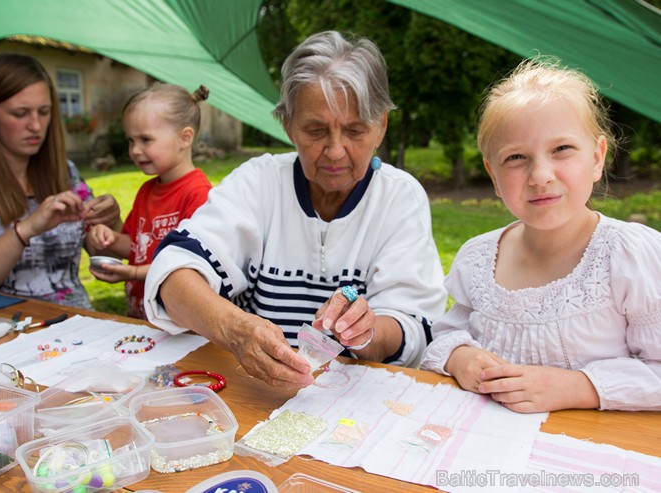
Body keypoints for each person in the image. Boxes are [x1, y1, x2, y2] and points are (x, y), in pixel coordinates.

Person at [143, 31, 447, 388]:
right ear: (288, 125)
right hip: (257, 391)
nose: (335, 151)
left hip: (353, 403)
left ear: (381, 126)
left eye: (354, 130)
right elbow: (173, 275)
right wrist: (236, 329)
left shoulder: (398, 198)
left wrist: (366, 332)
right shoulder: (260, 182)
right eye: (316, 130)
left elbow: (411, 324)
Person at [420, 58, 661, 413]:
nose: (540, 175)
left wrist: (579, 387)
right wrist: (460, 356)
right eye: (516, 157)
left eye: (561, 149)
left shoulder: (628, 257)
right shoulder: (479, 258)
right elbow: (448, 331)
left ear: (597, 157)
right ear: (493, 174)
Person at [0, 53, 121, 309]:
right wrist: (25, 230)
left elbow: (110, 257)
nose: (36, 125)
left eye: (44, 111)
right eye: (20, 113)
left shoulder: (65, 172)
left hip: (74, 328)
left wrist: (111, 220)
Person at [86, 83, 212, 319]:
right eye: (131, 141)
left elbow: (190, 264)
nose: (134, 150)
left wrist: (133, 272)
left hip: (178, 323)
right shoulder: (146, 190)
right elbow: (136, 245)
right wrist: (111, 239)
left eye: (145, 139)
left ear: (185, 138)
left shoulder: (198, 194)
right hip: (141, 316)